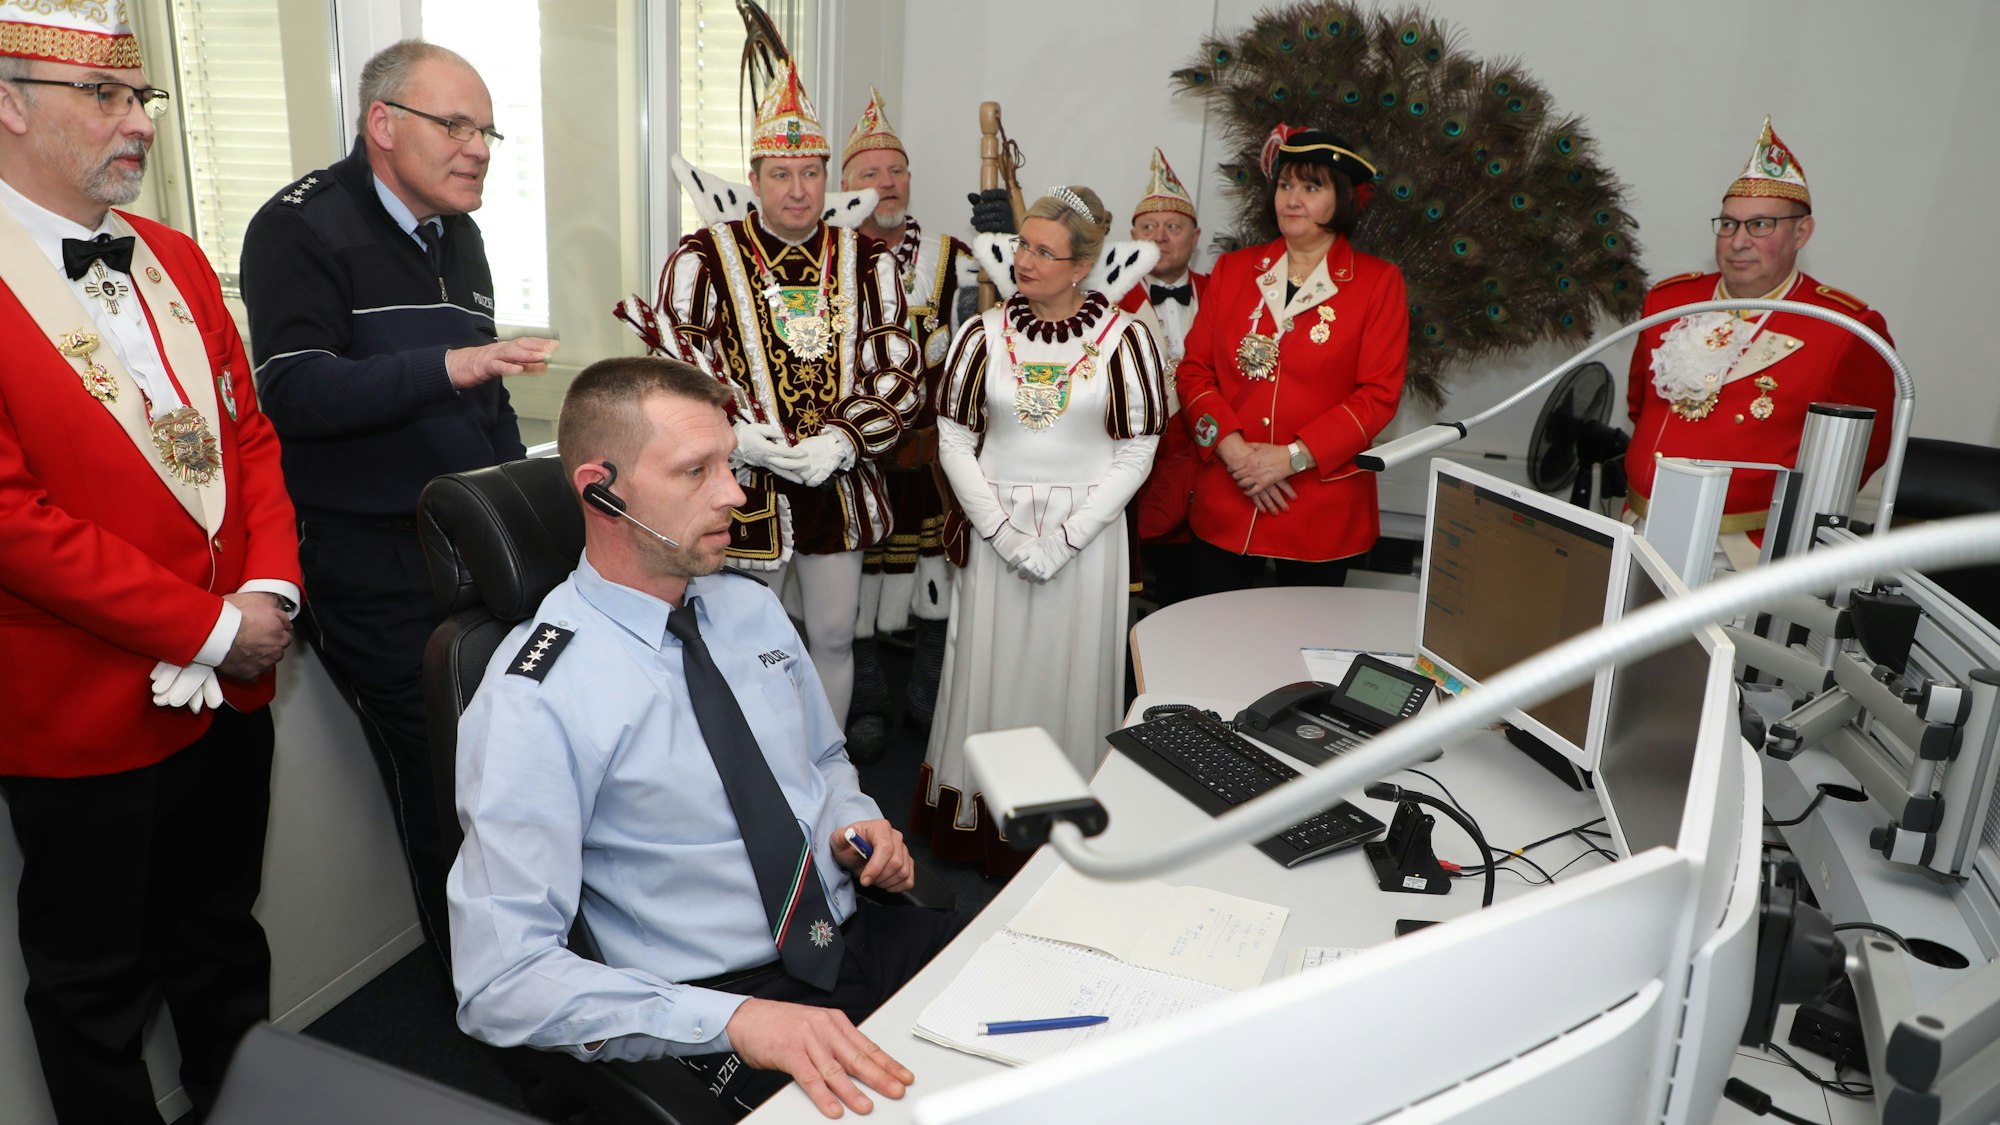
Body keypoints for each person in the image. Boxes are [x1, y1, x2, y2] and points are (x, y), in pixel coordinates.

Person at [449, 355, 963, 1121]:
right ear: (601, 489)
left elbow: (823, 759)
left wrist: (851, 823)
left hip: (855, 926)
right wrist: (735, 1021)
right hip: (720, 997)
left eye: (729, 462)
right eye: (697, 471)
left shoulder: (749, 610)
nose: (735, 493)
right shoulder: (536, 697)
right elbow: (502, 980)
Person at [0, 7, 301, 1120]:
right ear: (8, 103)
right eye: (105, 97)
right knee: (94, 991)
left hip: (232, 688)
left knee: (222, 945)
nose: (140, 124)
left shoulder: (175, 255)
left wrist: (266, 591)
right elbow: (11, 518)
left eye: (143, 99)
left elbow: (247, 436)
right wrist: (209, 626)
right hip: (82, 709)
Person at [239, 39, 556, 958]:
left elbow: (488, 396)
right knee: (444, 787)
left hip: (471, 549)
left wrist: (524, 528)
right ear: (382, 123)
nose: (479, 148)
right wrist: (450, 366)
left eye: (486, 130)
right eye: (455, 125)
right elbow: (294, 392)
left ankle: (542, 967)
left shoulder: (459, 231)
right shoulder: (300, 226)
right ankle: (479, 995)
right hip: (371, 566)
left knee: (514, 768)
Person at [650, 60, 922, 739]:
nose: (797, 191)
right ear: (755, 177)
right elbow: (671, 366)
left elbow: (899, 369)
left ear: (828, 176)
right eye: (780, 174)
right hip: (739, 483)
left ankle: (826, 773)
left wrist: (844, 440)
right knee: (739, 641)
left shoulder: (870, 261)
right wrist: (733, 436)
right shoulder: (703, 257)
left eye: (809, 173)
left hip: (839, 485)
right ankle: (750, 775)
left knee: (832, 637)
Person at [916, 186, 1167, 877]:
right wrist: (999, 532)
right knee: (990, 670)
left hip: (1085, 541)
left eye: (1043, 252)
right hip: (996, 532)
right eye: (1022, 245)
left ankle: (1066, 823)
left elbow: (1137, 451)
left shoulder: (1125, 339)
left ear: (1082, 266)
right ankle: (982, 822)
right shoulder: (982, 334)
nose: (1024, 261)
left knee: (1070, 674)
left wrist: (1066, 539)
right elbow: (954, 440)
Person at [1623, 117, 1895, 569]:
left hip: (1745, 552)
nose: (1738, 242)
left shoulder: (1844, 327)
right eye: (1728, 224)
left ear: (1801, 233)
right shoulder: (1669, 301)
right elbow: (1641, 404)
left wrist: (1794, 534)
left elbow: (1858, 455)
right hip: (1639, 523)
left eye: (1760, 225)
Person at [1175, 127, 1408, 597]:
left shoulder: (1378, 283)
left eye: (1311, 187)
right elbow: (1194, 371)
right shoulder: (1233, 270)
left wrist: (1291, 457)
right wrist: (1236, 453)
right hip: (1228, 496)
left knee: (1307, 643)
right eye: (1285, 185)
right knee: (1209, 634)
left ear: (1342, 199)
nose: (1293, 199)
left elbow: (1378, 396)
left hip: (1319, 507)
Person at [838, 87, 978, 756]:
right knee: (852, 590)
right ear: (846, 187)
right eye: (871, 172)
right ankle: (865, 701)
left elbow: (984, 352)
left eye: (897, 170)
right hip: (857, 461)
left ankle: (928, 700)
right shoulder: (828, 262)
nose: (887, 182)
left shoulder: (955, 258)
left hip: (931, 459)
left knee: (938, 584)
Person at [1117, 147, 1209, 603]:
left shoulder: (1224, 293)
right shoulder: (1106, 302)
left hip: (1206, 476)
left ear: (1195, 237)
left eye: (1173, 227)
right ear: (1132, 237)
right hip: (1132, 477)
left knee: (1194, 600)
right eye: (1149, 227)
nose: (1160, 237)